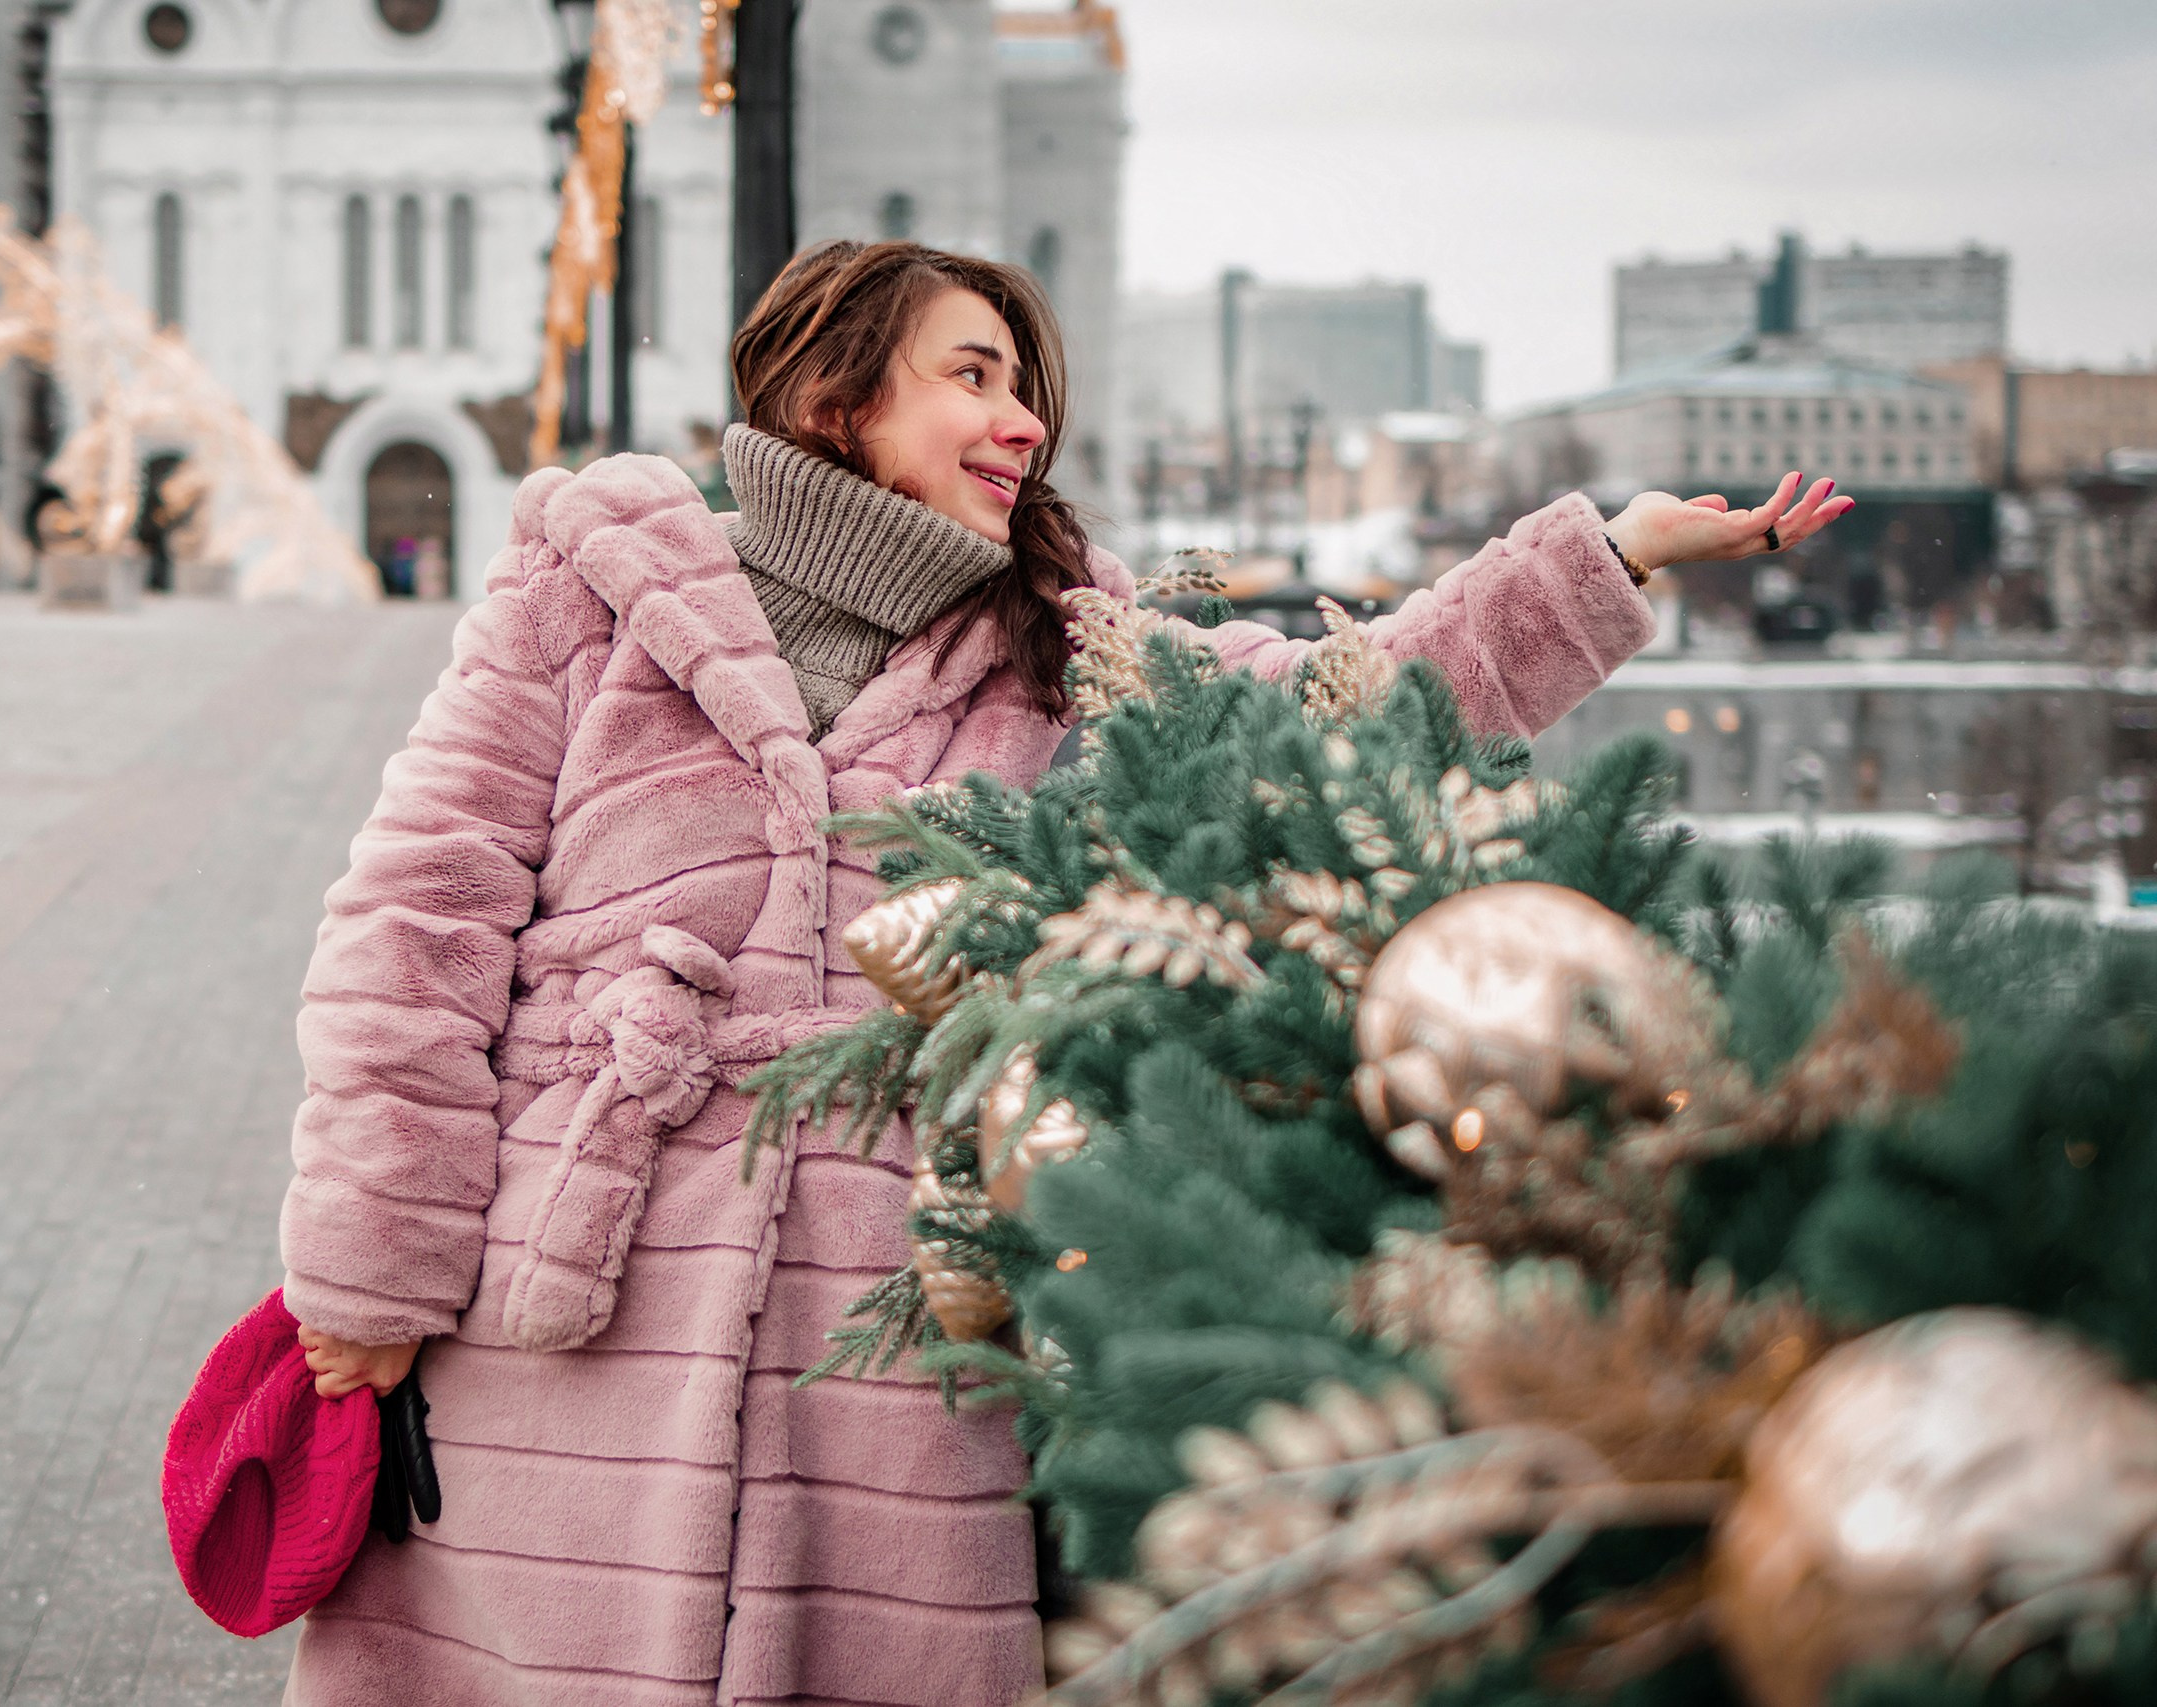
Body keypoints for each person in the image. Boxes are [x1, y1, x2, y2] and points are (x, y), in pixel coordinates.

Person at [272, 240, 1849, 1706]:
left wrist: (1611, 559)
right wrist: (368, 1271)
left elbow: (1341, 706)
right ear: (834, 393)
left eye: (1029, 389)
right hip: (568, 1309)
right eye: (974, 375)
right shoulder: (590, 599)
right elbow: (417, 926)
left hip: (895, 1337)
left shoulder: (1066, 654)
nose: (1022, 420)